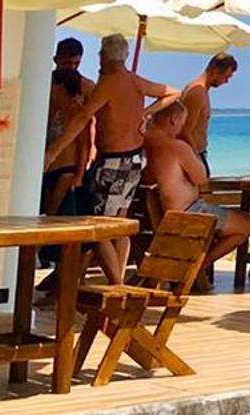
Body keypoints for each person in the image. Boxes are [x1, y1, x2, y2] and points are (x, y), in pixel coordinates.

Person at [47, 33, 181, 283]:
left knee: (99, 228)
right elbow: (173, 93)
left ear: (104, 56)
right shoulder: (134, 81)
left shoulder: (109, 83)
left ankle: (116, 288)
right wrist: (146, 113)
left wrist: (54, 151)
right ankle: (113, 281)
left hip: (114, 162)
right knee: (119, 225)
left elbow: (83, 118)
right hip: (134, 161)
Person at [143, 101, 250, 273]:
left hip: (164, 216)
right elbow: (201, 178)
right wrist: (190, 144)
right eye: (182, 123)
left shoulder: (145, 142)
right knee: (247, 224)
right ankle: (197, 268)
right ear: (173, 119)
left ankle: (193, 266)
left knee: (224, 223)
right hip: (187, 215)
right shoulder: (175, 146)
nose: (181, 129)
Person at [42, 37, 94, 216]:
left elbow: (85, 138)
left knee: (55, 218)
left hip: (67, 164)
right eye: (66, 63)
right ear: (56, 60)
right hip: (45, 162)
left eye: (76, 63)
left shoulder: (86, 88)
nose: (71, 68)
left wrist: (80, 174)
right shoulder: (44, 84)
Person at [178, 51, 238, 171]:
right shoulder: (197, 92)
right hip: (193, 154)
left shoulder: (202, 90)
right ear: (216, 72)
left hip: (197, 153)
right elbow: (185, 131)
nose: (226, 81)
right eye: (226, 77)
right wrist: (196, 160)